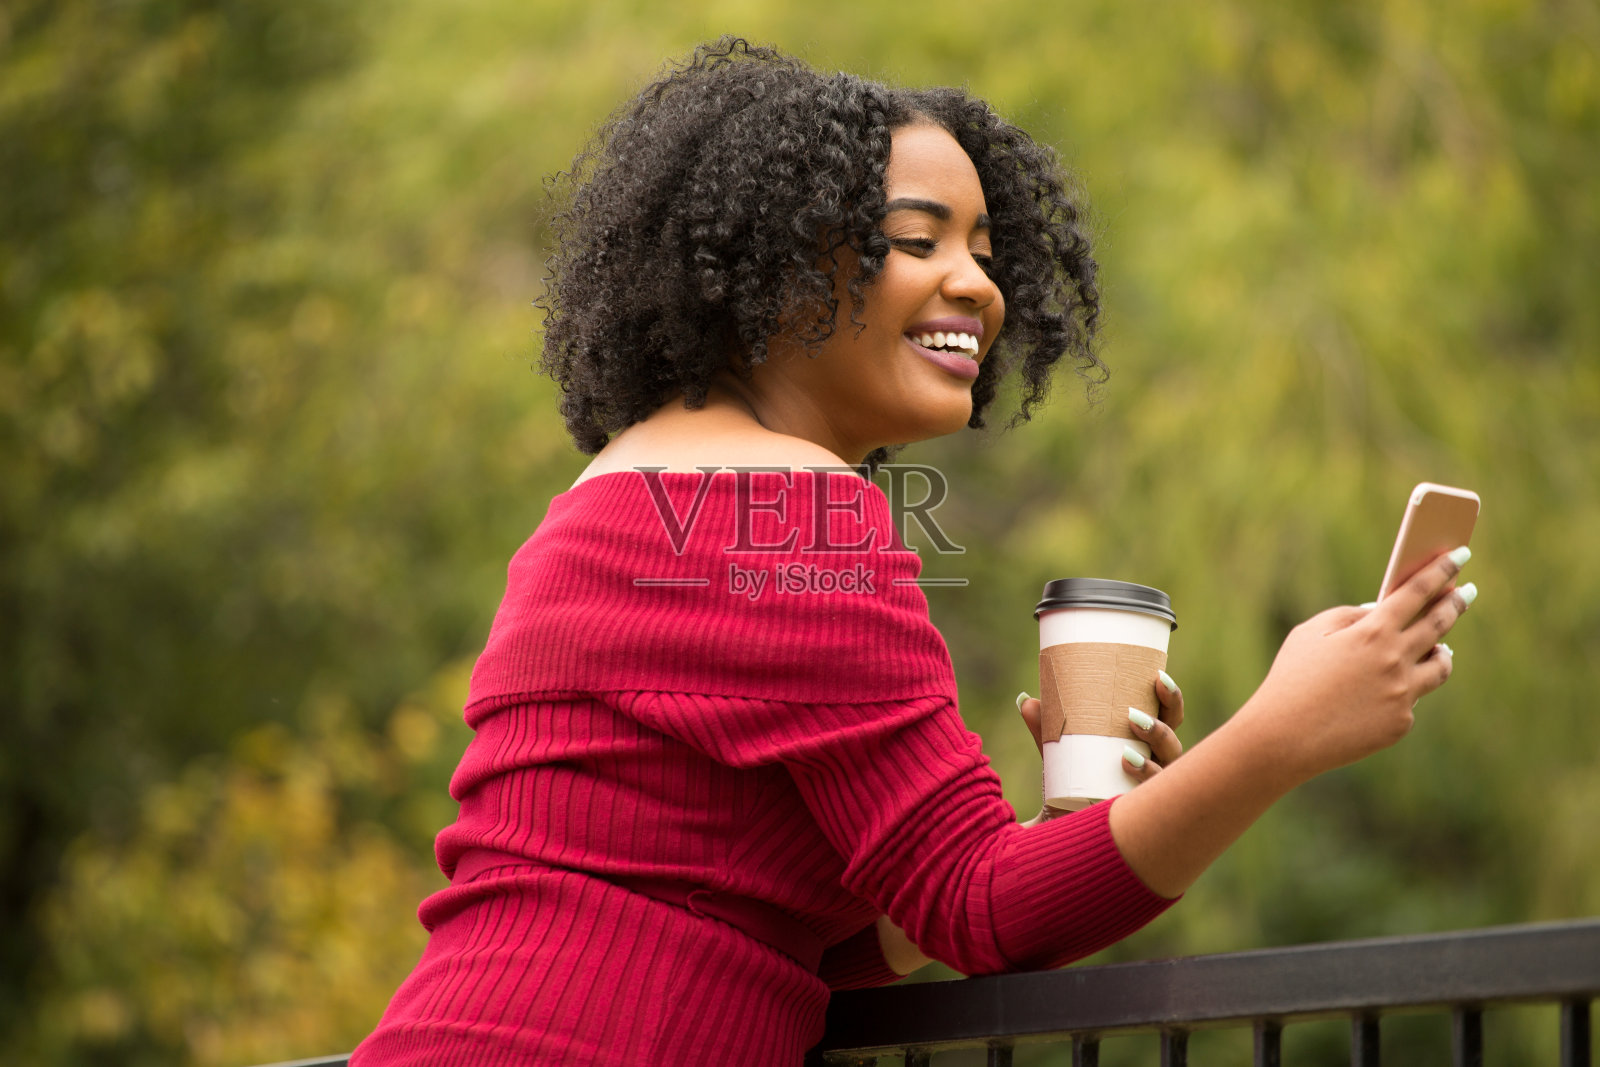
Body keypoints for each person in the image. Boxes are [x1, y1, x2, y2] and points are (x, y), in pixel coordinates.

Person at [350, 37, 1474, 1066]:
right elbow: (986, 911)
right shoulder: (788, 515)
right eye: (914, 240)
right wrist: (1281, 734)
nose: (977, 285)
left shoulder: (602, 501)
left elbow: (773, 926)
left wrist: (1073, 834)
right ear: (776, 264)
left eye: (985, 251)